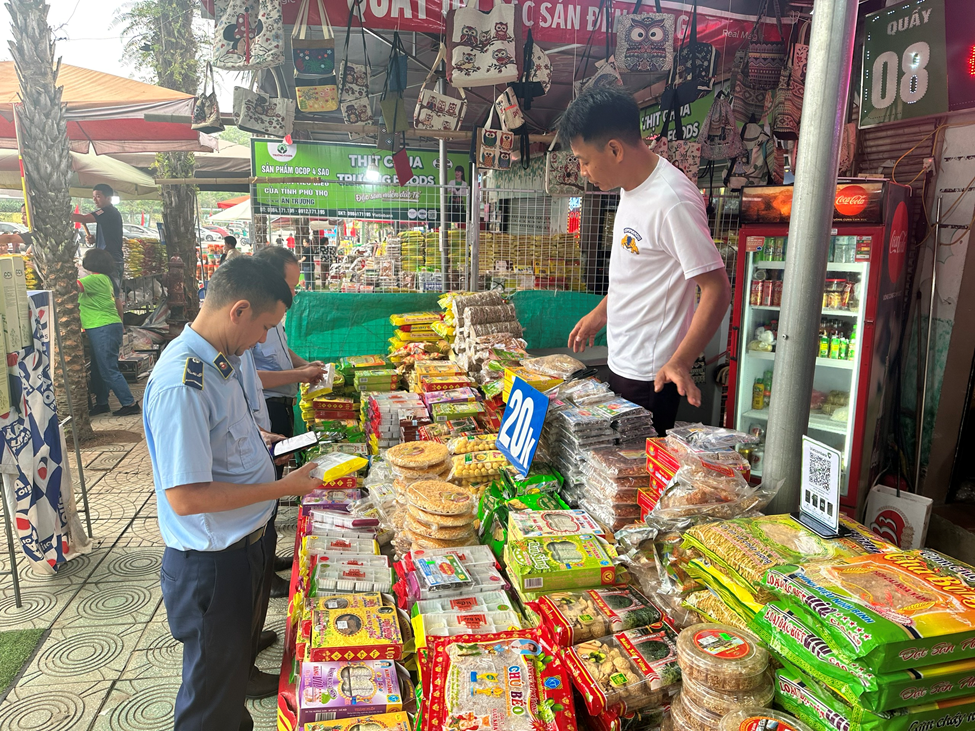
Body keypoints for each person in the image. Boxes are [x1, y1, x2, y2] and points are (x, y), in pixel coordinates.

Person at [143, 257, 320, 731]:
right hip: (211, 566)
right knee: (209, 700)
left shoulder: (219, 363)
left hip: (237, 550)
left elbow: (225, 442)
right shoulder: (184, 382)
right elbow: (186, 496)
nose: (265, 340)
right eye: (265, 327)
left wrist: (265, 450)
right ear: (238, 311)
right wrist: (282, 488)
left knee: (223, 688)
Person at [562, 87, 731, 433]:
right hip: (623, 359)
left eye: (584, 160)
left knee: (634, 477)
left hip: (652, 376)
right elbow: (639, 273)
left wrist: (681, 361)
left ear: (614, 149)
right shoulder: (630, 187)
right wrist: (600, 314)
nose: (581, 171)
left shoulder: (673, 201)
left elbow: (717, 289)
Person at [252, 246, 326, 598]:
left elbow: (283, 352)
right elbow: (253, 376)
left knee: (277, 472)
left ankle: (269, 560)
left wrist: (307, 366)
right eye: (289, 284)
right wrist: (299, 373)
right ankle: (264, 575)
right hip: (264, 407)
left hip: (280, 405)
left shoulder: (273, 318)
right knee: (269, 484)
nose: (293, 293)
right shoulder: (251, 322)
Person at [78, 249, 140, 416]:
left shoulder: (94, 279)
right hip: (104, 326)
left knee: (108, 369)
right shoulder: (106, 279)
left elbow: (71, 287)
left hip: (101, 326)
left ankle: (130, 403)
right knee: (99, 368)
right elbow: (118, 303)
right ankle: (102, 402)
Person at [72, 184, 125, 280]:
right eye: (93, 197)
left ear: (108, 198)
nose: (94, 200)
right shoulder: (105, 214)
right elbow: (109, 236)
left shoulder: (108, 212)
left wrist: (60, 213)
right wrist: (95, 240)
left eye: (98, 196)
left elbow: (84, 218)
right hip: (105, 258)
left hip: (111, 259)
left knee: (110, 290)